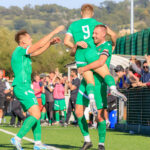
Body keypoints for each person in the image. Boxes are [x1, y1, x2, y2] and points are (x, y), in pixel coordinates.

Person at [64, 4, 126, 114]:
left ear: (81, 13)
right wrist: (109, 37)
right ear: (92, 14)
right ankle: (113, 88)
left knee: (89, 81)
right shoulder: (97, 23)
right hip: (91, 53)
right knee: (106, 74)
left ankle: (91, 98)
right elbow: (113, 35)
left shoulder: (73, 25)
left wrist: (76, 45)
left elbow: (66, 42)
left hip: (79, 55)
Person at [11, 25, 64, 150]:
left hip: (24, 87)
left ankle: (37, 143)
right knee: (36, 114)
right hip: (21, 86)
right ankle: (17, 138)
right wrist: (54, 31)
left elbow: (38, 51)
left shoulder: (24, 54)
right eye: (29, 38)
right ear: (23, 41)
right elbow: (38, 45)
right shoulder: (19, 50)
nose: (31, 40)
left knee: (36, 114)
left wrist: (50, 44)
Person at [75, 25, 115, 150]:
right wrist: (76, 45)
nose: (93, 36)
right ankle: (87, 140)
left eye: (96, 33)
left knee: (100, 116)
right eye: (93, 33)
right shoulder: (90, 45)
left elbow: (101, 62)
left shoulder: (107, 46)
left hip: (99, 84)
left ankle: (101, 143)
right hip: (85, 83)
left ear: (104, 34)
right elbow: (73, 52)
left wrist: (84, 68)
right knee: (78, 112)